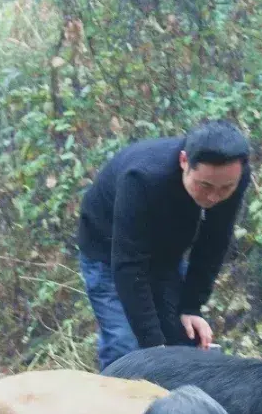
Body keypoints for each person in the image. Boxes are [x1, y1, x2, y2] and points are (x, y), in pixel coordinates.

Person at [76, 120, 252, 370]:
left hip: (166, 255)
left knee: (183, 339)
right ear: (184, 162)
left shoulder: (236, 175)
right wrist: (153, 346)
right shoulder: (142, 178)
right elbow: (128, 266)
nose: (214, 197)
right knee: (127, 348)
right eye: (205, 186)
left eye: (226, 188)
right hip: (109, 253)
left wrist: (192, 306)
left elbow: (214, 242)